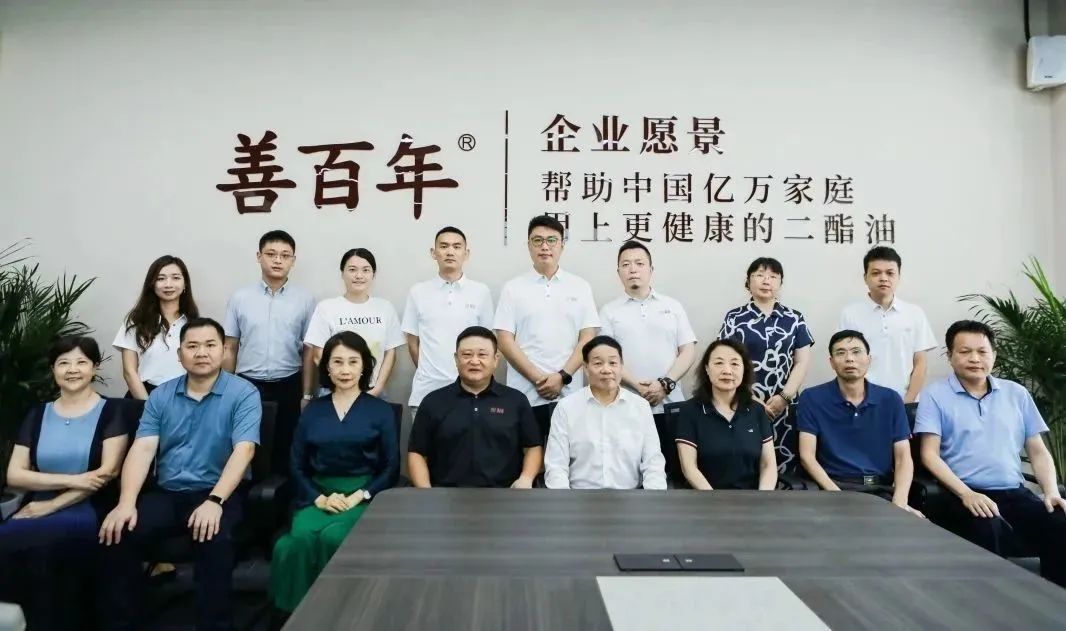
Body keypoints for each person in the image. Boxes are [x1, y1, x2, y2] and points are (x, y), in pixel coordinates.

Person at [99, 318, 261, 631]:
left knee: (213, 538)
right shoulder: (161, 396)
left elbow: (244, 451)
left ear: (223, 351)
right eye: (192, 346)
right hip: (168, 493)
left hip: (218, 493)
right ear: (179, 354)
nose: (201, 352)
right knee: (117, 532)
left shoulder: (243, 393)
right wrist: (126, 503)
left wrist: (215, 501)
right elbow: (142, 449)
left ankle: (214, 625)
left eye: (210, 345)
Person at [916, 320, 1066, 588]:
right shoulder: (935, 395)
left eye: (982, 351)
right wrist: (967, 494)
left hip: (1014, 492)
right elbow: (929, 455)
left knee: (1059, 520)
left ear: (993, 355)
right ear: (950, 356)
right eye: (965, 352)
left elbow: (1038, 451)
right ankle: (991, 603)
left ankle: (1055, 598)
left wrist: (1051, 491)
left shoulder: (1016, 394)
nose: (975, 359)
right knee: (988, 527)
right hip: (963, 493)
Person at [0, 337, 129, 630]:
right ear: (53, 370)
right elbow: (15, 475)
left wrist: (51, 505)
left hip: (90, 506)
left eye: (81, 362)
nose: (73, 370)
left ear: (94, 368)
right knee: (35, 556)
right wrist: (75, 479)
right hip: (39, 502)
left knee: (14, 541)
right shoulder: (37, 414)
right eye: (63, 363)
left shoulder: (112, 412)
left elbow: (107, 473)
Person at [271, 331, 399, 614]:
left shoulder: (381, 411)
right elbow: (296, 464)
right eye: (337, 362)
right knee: (295, 543)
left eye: (353, 362)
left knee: (334, 538)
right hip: (316, 496)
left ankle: (339, 613)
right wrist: (319, 498)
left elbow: (391, 467)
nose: (345, 370)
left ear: (364, 366)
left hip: (362, 497)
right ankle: (295, 617)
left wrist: (359, 495)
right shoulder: (312, 411)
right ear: (326, 367)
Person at [796, 330, 924, 517]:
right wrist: (837, 496)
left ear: (869, 359)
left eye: (856, 352)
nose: (849, 358)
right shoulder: (812, 398)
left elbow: (903, 457)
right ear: (831, 362)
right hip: (832, 489)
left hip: (879, 491)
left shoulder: (890, 399)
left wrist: (900, 503)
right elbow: (807, 456)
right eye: (841, 353)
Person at [495, 215, 599, 442]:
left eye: (552, 240)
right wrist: (538, 379)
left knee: (568, 454)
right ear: (528, 245)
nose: (545, 246)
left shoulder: (580, 287)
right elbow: (504, 339)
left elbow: (588, 338)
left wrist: (562, 377)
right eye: (538, 240)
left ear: (562, 245)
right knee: (527, 454)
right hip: (524, 392)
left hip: (568, 393)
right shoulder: (513, 288)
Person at [599, 240, 696, 481]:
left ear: (651, 269)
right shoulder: (609, 311)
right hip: (626, 405)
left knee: (674, 474)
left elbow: (688, 350)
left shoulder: (672, 306)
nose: (633, 269)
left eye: (639, 263)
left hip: (671, 404)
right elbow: (607, 358)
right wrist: (637, 386)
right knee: (630, 474)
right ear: (618, 272)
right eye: (626, 264)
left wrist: (665, 383)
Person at [223, 229, 315, 475]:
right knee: (246, 446)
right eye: (271, 254)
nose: (277, 260)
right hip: (247, 383)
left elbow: (309, 351)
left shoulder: (305, 299)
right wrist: (225, 388)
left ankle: (281, 496)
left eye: (285, 255)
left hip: (289, 383)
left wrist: (307, 393)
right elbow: (230, 346)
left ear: (293, 260)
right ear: (259, 256)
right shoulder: (240, 298)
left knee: (286, 447)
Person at [407, 326, 542, 488]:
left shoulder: (516, 401)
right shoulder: (433, 402)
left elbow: (533, 447)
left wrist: (526, 478)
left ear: (496, 359)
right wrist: (425, 492)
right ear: (456, 359)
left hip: (504, 495)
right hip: (445, 495)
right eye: (467, 355)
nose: (475, 361)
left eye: (482, 354)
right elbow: (417, 453)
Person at [719, 257, 813, 472]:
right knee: (747, 459)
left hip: (785, 404)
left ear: (780, 283)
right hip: (743, 400)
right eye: (759, 275)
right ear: (748, 281)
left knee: (785, 459)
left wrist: (784, 397)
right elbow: (725, 362)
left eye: (773, 276)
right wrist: (750, 398)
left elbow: (802, 361)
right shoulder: (734, 317)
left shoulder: (794, 318)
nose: (766, 281)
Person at [544, 335, 666, 490]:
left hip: (630, 498)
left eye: (613, 363)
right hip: (579, 498)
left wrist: (653, 500)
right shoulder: (566, 407)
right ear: (586, 368)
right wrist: (564, 502)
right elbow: (556, 466)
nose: (606, 370)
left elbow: (653, 462)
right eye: (598, 363)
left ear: (621, 367)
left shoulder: (640, 407)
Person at [401, 226, 494, 417]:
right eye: (444, 246)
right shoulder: (418, 292)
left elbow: (489, 343)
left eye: (456, 246)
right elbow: (412, 343)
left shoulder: (481, 292)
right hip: (426, 392)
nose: (450, 251)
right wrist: (430, 371)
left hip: (470, 393)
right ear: (433, 253)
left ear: (466, 253)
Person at [838, 246, 936, 409]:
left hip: (906, 401)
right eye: (876, 273)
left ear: (899, 276)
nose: (883, 278)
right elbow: (843, 361)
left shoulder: (914, 313)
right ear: (865, 277)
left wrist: (908, 400)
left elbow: (920, 363)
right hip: (862, 404)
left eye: (890, 273)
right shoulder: (850, 314)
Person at [673, 339, 777, 491]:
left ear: (744, 370)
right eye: (719, 363)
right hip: (706, 499)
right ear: (707, 369)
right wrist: (715, 500)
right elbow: (689, 468)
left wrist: (763, 497)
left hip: (753, 499)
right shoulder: (690, 411)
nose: (727, 370)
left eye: (734, 364)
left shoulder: (757, 411)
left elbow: (768, 465)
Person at [303, 248, 404, 398]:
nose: (359, 275)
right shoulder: (326, 308)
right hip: (334, 391)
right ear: (342, 273)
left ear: (373, 274)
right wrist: (343, 386)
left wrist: (377, 388)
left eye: (365, 270)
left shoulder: (385, 308)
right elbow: (318, 354)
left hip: (373, 391)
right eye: (352, 270)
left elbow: (390, 352)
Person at [113, 254, 199, 399]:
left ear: (185, 284)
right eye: (161, 278)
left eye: (176, 278)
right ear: (152, 284)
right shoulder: (136, 320)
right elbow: (129, 371)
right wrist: (147, 405)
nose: (168, 284)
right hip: (144, 396)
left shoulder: (194, 322)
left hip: (185, 397)